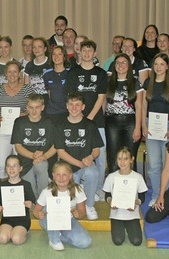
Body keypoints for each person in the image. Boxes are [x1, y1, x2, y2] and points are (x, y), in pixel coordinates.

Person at [64, 40, 108, 195]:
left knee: (100, 157)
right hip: (76, 119)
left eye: (90, 51)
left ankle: (99, 189)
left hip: (97, 121)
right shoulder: (73, 73)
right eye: (84, 51)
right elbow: (71, 97)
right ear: (79, 53)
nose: (87, 54)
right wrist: (79, 115)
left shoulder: (101, 73)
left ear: (95, 54)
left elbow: (101, 98)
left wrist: (88, 118)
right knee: (78, 152)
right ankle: (77, 187)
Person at [141, 53, 169, 206]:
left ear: (167, 66)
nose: (158, 67)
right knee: (154, 165)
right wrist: (143, 125)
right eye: (156, 64)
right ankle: (156, 194)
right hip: (152, 126)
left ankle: (166, 195)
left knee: (168, 164)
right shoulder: (147, 83)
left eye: (161, 64)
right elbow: (144, 105)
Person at [55, 92, 103, 220]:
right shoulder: (60, 125)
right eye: (71, 104)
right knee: (66, 206)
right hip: (67, 167)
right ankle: (73, 201)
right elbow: (60, 152)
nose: (74, 107)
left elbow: (97, 150)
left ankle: (89, 205)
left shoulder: (90, 125)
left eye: (77, 105)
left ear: (83, 107)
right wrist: (78, 163)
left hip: (85, 166)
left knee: (92, 172)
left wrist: (91, 157)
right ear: (67, 106)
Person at [33, 160, 92, 251]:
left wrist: (78, 214)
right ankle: (54, 240)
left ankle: (58, 234)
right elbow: (36, 210)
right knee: (49, 206)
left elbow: (82, 212)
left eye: (64, 175)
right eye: (58, 175)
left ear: (70, 175)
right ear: (53, 175)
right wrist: (39, 214)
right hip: (49, 220)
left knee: (85, 242)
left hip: (68, 220)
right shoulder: (47, 191)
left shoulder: (78, 190)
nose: (61, 178)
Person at [0, 60, 34, 180]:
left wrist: (25, 114)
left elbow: (34, 106)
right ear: (5, 73)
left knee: (18, 163)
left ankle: (18, 189)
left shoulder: (27, 89)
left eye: (15, 72)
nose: (12, 74)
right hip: (3, 129)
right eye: (9, 72)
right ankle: (3, 187)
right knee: (1, 163)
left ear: (19, 73)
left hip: (20, 131)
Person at [105, 54, 143, 174]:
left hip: (130, 123)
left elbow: (139, 106)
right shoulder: (108, 82)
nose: (120, 65)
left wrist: (138, 128)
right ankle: (112, 190)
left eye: (124, 62)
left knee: (130, 157)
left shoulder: (135, 82)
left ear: (129, 66)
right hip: (112, 123)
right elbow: (103, 104)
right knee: (113, 156)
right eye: (118, 63)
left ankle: (132, 191)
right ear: (114, 66)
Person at [12, 94, 56, 195]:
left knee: (41, 166)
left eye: (37, 107)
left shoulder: (49, 123)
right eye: (31, 107)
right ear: (27, 107)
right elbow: (18, 147)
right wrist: (32, 155)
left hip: (42, 160)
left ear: (43, 108)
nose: (34, 111)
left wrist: (44, 156)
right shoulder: (19, 122)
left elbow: (55, 146)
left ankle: (43, 199)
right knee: (32, 195)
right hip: (25, 161)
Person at [103, 147, 147, 246]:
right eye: (119, 158)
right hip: (116, 214)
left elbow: (142, 197)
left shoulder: (138, 177)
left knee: (137, 241)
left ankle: (130, 227)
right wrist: (110, 202)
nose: (122, 162)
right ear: (116, 160)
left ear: (132, 159)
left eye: (126, 158)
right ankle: (119, 226)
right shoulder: (111, 177)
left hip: (132, 215)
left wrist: (136, 203)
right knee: (118, 241)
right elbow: (107, 195)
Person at [0, 155, 36, 245]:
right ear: (5, 168)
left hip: (22, 220)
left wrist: (31, 205)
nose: (11, 168)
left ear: (20, 168)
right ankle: (12, 231)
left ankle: (24, 232)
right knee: (2, 239)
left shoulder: (26, 185)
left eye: (14, 166)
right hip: (7, 220)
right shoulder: (2, 185)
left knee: (16, 240)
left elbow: (33, 207)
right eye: (8, 166)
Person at [42, 45, 70, 120]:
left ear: (64, 57)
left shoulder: (70, 73)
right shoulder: (47, 74)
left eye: (60, 54)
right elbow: (49, 93)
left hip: (67, 111)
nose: (56, 57)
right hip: (51, 112)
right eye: (54, 54)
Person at [23, 37, 51, 107]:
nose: (36, 49)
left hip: (49, 101)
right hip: (34, 101)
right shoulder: (29, 65)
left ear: (45, 48)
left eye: (39, 47)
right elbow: (27, 86)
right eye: (34, 47)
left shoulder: (51, 64)